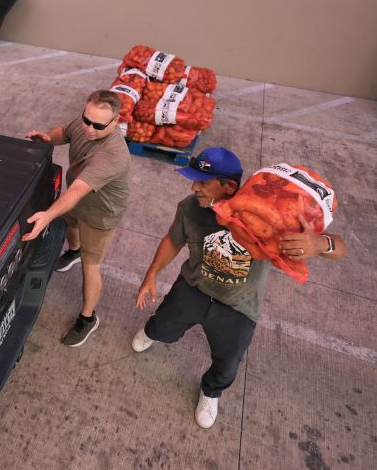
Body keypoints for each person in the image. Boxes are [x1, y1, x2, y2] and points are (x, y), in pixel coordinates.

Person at [132, 147, 348, 429]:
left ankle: (211, 391)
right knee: (161, 325)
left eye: (203, 182)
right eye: (194, 180)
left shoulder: (268, 220)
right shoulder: (190, 207)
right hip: (193, 288)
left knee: (228, 361)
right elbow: (173, 240)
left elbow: (339, 248)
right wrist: (151, 274)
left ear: (230, 187)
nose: (194, 187)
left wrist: (320, 244)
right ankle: (151, 334)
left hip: (238, 306)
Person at [22, 90, 130, 347]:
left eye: (98, 126)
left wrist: (48, 214)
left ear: (115, 121)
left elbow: (77, 191)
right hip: (78, 200)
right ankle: (74, 251)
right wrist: (49, 138)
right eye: (87, 120)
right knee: (70, 224)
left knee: (91, 267)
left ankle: (88, 318)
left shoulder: (113, 154)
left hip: (100, 213)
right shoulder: (87, 123)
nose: (90, 129)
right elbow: (65, 132)